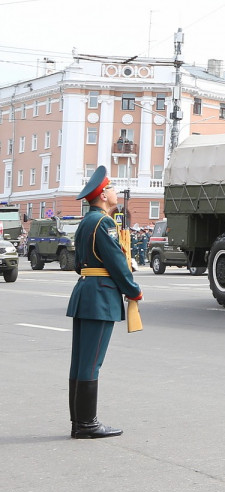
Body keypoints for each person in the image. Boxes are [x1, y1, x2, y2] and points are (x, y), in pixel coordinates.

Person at [67, 166, 142, 439]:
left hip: (85, 292)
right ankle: (87, 425)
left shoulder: (86, 223)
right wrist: (133, 291)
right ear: (102, 196)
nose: (113, 192)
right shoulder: (104, 223)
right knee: (91, 363)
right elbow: (117, 264)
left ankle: (79, 423)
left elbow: (78, 265)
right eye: (110, 188)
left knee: (80, 361)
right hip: (100, 297)